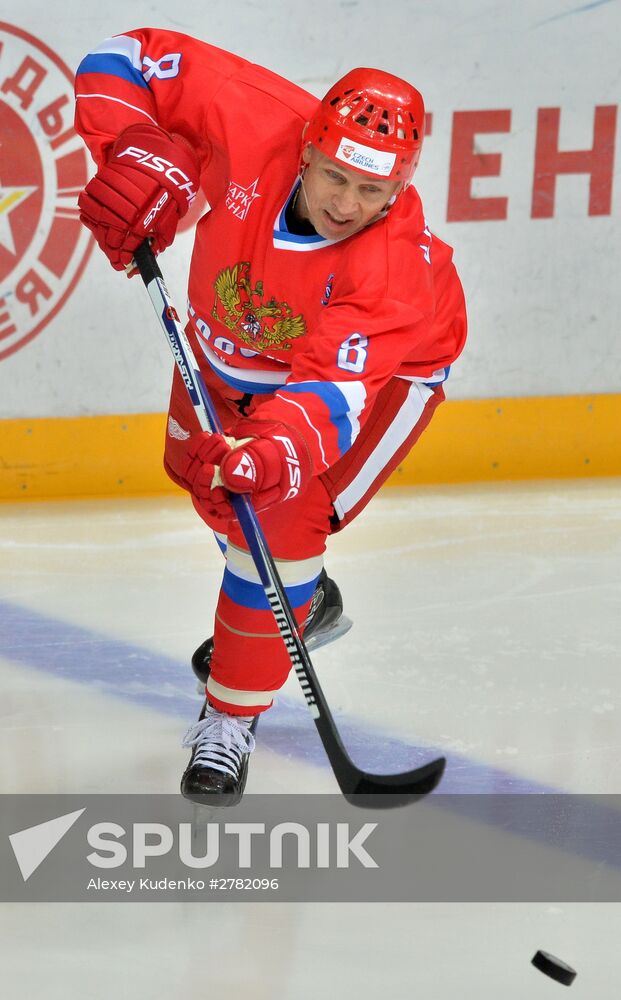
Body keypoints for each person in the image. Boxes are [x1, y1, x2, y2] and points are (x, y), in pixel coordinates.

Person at [73, 29, 467, 805]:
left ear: (399, 191)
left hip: (385, 376)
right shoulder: (249, 114)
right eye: (334, 179)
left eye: (372, 194)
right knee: (204, 480)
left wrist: (276, 453)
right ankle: (301, 598)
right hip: (228, 349)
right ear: (306, 148)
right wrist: (139, 147)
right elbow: (123, 56)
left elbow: (332, 395)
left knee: (276, 517)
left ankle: (228, 723)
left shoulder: (392, 267)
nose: (347, 206)